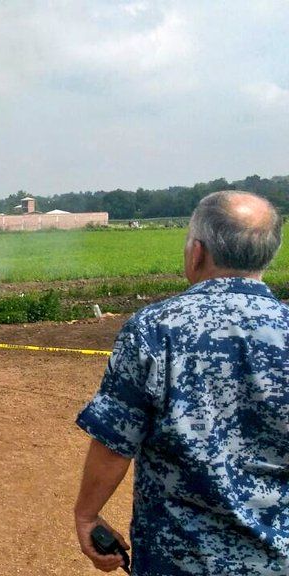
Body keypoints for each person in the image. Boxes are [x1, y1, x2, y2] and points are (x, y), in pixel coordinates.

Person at [74, 191, 289, 575]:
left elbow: (115, 441)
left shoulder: (155, 330)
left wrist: (87, 516)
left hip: (177, 559)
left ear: (197, 252)